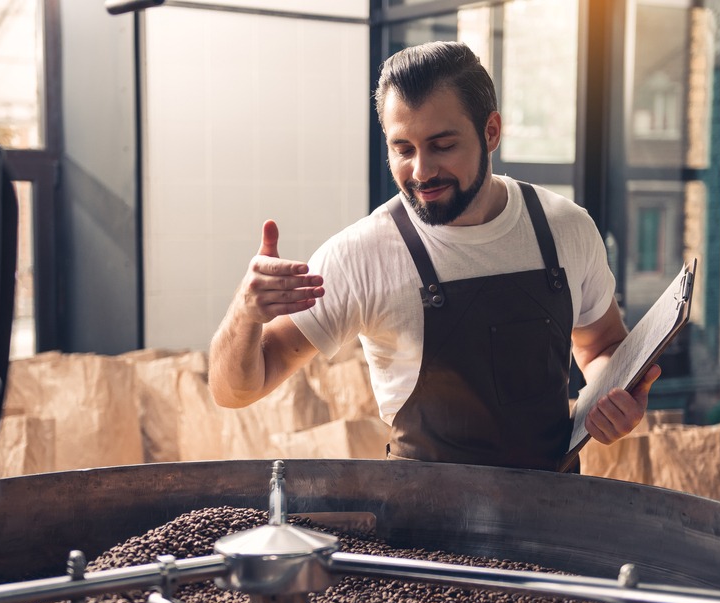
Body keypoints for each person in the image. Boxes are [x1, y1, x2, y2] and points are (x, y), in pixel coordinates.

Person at [208, 40, 660, 471]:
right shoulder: (361, 255)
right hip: (425, 531)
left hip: (549, 516)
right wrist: (244, 314)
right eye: (403, 149)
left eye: (443, 146)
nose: (421, 171)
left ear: (491, 131)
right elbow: (235, 391)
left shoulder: (567, 228)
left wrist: (612, 398)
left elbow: (601, 346)